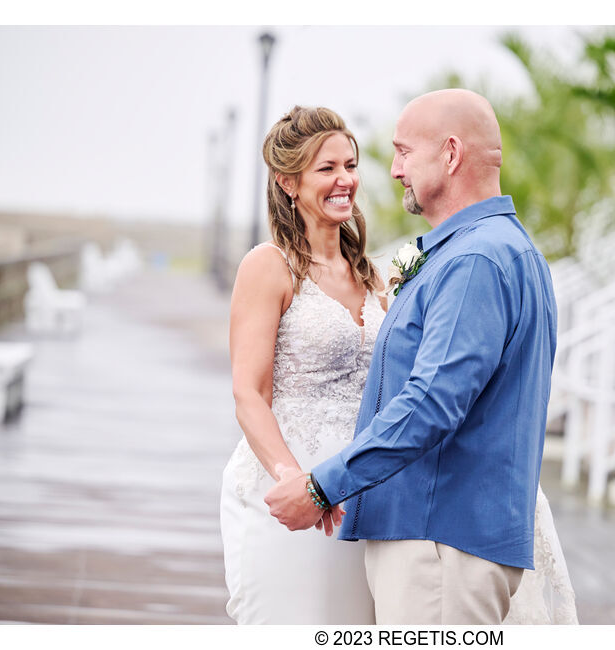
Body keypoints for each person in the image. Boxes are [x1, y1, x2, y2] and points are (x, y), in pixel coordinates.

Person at [264, 89, 577, 624]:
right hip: (447, 543)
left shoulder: (476, 259)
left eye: (405, 151)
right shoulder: (505, 248)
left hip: (439, 547)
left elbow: (431, 403)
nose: (393, 170)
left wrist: (322, 486)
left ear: (450, 155)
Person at [219, 106, 383, 624]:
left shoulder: (373, 274)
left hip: (361, 492)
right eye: (327, 168)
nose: (345, 181)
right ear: (289, 181)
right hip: (291, 488)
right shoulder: (269, 266)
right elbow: (248, 393)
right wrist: (298, 483)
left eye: (351, 166)